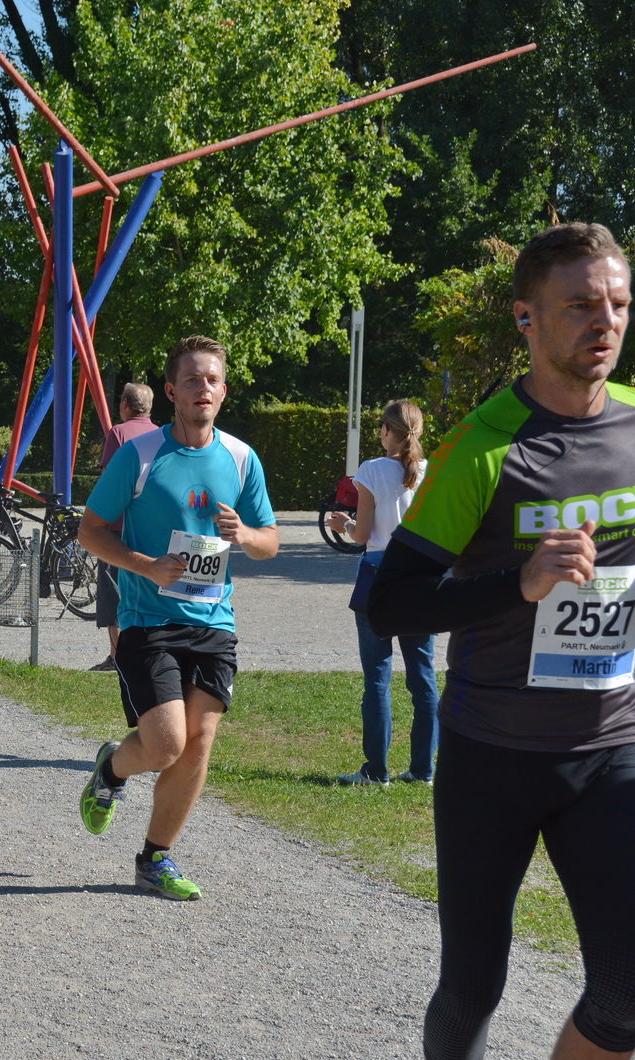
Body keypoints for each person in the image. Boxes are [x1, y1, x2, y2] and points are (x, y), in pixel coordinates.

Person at [366, 223, 635, 1060]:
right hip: (493, 752)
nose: (604, 322)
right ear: (527, 318)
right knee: (472, 984)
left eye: (616, 303)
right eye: (581, 305)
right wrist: (517, 584)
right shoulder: (482, 447)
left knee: (626, 989)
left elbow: (634, 524)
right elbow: (392, 601)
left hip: (612, 744)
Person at [75, 336, 279, 900]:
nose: (203, 389)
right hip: (148, 618)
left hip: (215, 620)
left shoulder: (241, 458)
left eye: (212, 379)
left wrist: (247, 535)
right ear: (171, 391)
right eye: (192, 380)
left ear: (224, 390)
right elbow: (90, 531)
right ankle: (112, 772)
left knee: (200, 741)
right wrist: (148, 566)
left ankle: (154, 859)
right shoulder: (139, 456)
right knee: (166, 743)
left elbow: (270, 542)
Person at [327, 399, 438, 786]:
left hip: (378, 574)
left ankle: (376, 770)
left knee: (378, 674)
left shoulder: (372, 470)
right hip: (420, 577)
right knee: (423, 676)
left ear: (388, 432)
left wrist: (344, 524)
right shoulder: (431, 472)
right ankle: (423, 769)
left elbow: (362, 535)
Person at [90, 383, 159, 670]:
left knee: (113, 590)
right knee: (150, 585)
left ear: (124, 405)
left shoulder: (118, 433)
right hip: (151, 525)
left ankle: (118, 655)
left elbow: (109, 481)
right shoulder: (162, 435)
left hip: (117, 525)